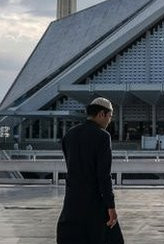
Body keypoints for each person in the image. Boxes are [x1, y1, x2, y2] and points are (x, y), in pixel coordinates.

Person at [57, 97, 123, 244]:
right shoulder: (102, 136)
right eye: (110, 117)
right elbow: (104, 176)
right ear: (102, 114)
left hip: (72, 202)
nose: (109, 121)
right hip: (94, 202)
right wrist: (111, 206)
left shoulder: (69, 135)